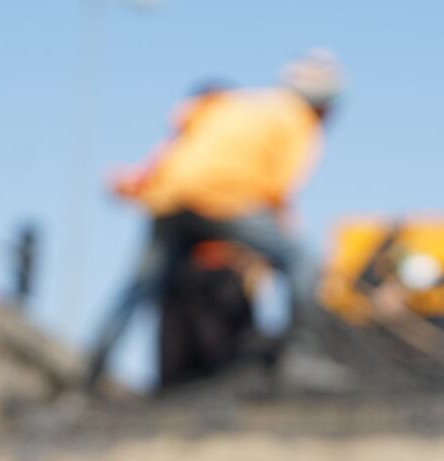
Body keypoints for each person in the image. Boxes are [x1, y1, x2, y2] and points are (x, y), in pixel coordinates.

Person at [83, 51, 346, 393]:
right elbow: (279, 191)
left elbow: (174, 151)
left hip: (171, 198)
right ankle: (302, 353)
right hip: (221, 200)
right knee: (300, 260)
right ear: (325, 104)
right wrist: (286, 235)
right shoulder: (299, 121)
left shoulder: (234, 105)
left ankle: (91, 369)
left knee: (138, 289)